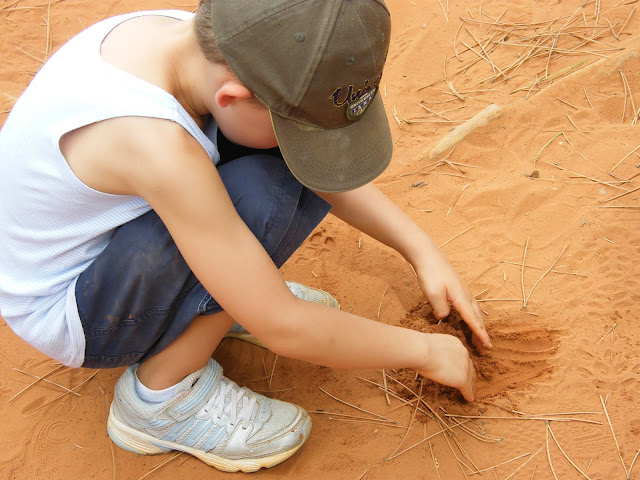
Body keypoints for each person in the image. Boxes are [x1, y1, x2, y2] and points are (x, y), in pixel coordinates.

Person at [0, 0, 492, 473]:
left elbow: (317, 168)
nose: (304, 143)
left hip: (119, 247)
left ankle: (219, 303)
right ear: (231, 97)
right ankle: (159, 400)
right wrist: (428, 351)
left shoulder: (201, 42)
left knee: (286, 170)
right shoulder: (155, 144)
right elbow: (283, 325)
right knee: (269, 190)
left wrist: (419, 248)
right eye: (297, 128)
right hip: (74, 310)